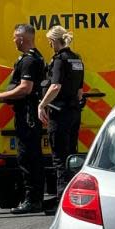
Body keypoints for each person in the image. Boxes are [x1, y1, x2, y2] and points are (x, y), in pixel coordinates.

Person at [0, 24, 45, 214]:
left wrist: (2, 96)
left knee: (27, 157)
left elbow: (25, 88)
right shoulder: (35, 56)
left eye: (15, 37)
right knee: (32, 156)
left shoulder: (29, 60)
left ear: (22, 39)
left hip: (27, 114)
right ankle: (34, 198)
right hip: (28, 112)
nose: (13, 40)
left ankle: (32, 200)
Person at [38, 25, 85, 203]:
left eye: (50, 41)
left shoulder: (59, 60)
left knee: (59, 159)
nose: (49, 45)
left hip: (59, 114)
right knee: (72, 157)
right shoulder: (77, 59)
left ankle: (62, 199)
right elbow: (80, 91)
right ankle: (74, 197)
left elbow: (55, 86)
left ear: (53, 41)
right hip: (74, 113)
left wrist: (42, 105)